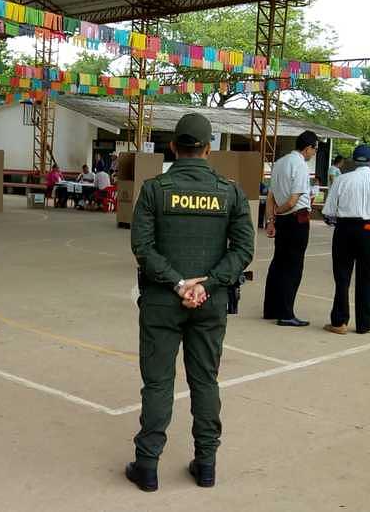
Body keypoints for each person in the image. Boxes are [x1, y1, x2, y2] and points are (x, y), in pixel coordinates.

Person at [126, 113, 254, 491]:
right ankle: (207, 462)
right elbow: (244, 248)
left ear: (172, 146)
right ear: (208, 147)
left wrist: (179, 283)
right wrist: (209, 284)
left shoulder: (154, 190)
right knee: (205, 380)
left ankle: (147, 465)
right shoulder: (229, 191)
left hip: (162, 302)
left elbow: (142, 247)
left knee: (158, 383)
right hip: (210, 303)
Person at [322, 145, 370, 335]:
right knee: (367, 277)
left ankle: (339, 322)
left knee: (342, 276)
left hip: (345, 229)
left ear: (353, 160)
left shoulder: (341, 180)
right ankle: (365, 324)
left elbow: (328, 210)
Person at [262, 131, 318, 327]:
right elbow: (294, 200)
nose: (313, 153)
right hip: (297, 219)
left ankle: (270, 308)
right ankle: (286, 313)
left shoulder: (280, 163)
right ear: (308, 147)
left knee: (278, 263)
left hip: (283, 221)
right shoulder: (300, 165)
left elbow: (270, 196)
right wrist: (278, 212)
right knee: (293, 267)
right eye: (314, 149)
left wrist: (271, 220)